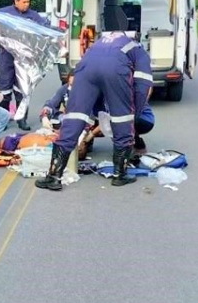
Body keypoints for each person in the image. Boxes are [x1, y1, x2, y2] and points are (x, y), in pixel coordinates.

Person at [34, 31, 153, 191]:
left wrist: (94, 116)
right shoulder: (138, 49)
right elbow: (143, 84)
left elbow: (94, 98)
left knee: (73, 118)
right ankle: (120, 174)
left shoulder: (100, 43)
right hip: (115, 69)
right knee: (122, 119)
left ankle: (53, 176)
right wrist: (134, 115)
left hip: (84, 69)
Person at [0, 0, 50, 128]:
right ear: (16, 1)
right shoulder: (4, 13)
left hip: (24, 58)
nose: (27, 4)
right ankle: (3, 120)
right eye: (24, 2)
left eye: (28, 2)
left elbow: (45, 29)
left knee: (22, 90)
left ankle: (22, 120)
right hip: (7, 56)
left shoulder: (33, 16)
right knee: (4, 90)